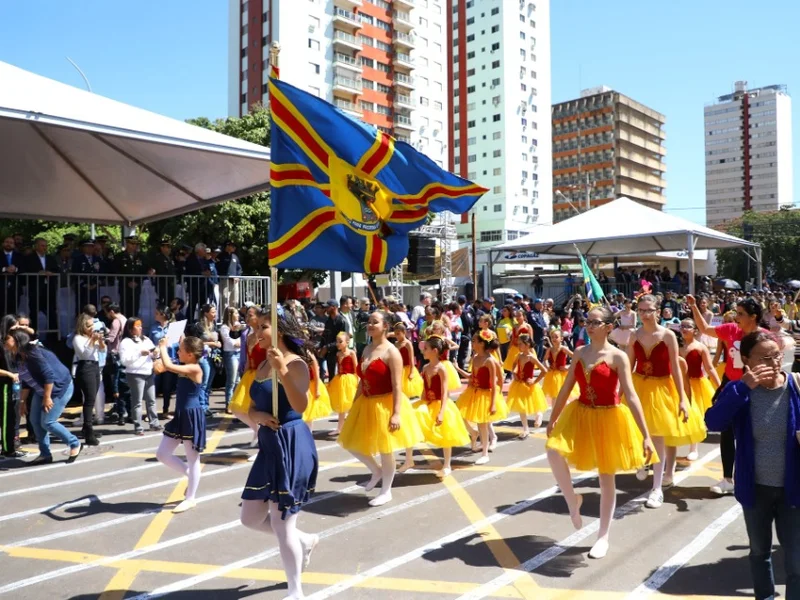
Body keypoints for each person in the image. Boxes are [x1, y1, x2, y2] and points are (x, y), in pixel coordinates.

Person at [546, 305, 656, 560]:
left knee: (606, 478)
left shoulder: (618, 357)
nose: (590, 325)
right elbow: (566, 388)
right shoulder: (579, 352)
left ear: (608, 327)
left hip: (609, 416)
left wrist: (646, 435)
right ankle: (573, 500)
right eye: (588, 321)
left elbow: (631, 395)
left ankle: (603, 536)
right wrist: (553, 418)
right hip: (581, 412)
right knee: (553, 452)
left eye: (595, 322)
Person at [705, 331, 800, 600]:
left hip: (793, 489)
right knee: (760, 552)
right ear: (746, 359)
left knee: (796, 560)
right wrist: (743, 387)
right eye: (765, 358)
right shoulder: (738, 390)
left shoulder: (796, 386)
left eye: (777, 356)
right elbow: (713, 423)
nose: (773, 363)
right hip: (755, 489)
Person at [240, 308, 320, 600]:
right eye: (257, 326)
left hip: (291, 443)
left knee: (281, 521)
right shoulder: (261, 366)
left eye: (264, 326)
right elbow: (250, 408)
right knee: (249, 518)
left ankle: (295, 591)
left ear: (280, 330)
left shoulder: (296, 363)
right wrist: (259, 416)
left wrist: (283, 371)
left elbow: (300, 405)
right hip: (269, 447)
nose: (257, 331)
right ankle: (305, 541)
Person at [338, 310, 423, 507]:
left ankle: (386, 490)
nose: (369, 325)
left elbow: (397, 386)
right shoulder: (366, 349)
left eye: (374, 322)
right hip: (366, 402)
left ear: (385, 326)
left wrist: (396, 413)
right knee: (350, 442)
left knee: (386, 450)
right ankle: (376, 471)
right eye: (369, 322)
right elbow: (362, 381)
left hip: (385, 403)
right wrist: (354, 404)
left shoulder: (391, 352)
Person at [629, 295, 706, 509]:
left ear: (658, 310)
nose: (645, 314)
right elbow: (628, 365)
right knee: (637, 430)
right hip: (639, 387)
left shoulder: (668, 335)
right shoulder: (634, 335)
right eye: (641, 310)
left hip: (662, 388)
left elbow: (676, 369)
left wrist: (682, 398)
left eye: (649, 310)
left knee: (658, 436)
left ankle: (656, 489)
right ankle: (643, 461)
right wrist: (620, 390)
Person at [688, 293, 765, 496]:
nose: (736, 317)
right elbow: (705, 329)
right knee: (727, 432)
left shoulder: (763, 337)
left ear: (753, 316)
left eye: (740, 314)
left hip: (755, 389)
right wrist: (694, 306)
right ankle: (727, 479)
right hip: (731, 386)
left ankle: (754, 478)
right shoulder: (731, 329)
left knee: (751, 434)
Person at [4, 329, 82, 464]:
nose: (4, 342)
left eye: (8, 339)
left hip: (58, 388)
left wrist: (47, 398)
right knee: (34, 421)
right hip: (42, 389)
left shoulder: (34, 353)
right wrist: (22, 402)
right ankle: (45, 454)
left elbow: (49, 376)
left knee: (48, 422)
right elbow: (26, 382)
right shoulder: (17, 357)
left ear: (17, 341)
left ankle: (74, 443)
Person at [156, 335, 206, 514]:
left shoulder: (194, 368)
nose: (177, 352)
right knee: (162, 454)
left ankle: (190, 498)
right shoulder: (187, 365)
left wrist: (162, 347)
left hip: (192, 416)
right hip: (180, 415)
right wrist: (181, 339)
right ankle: (189, 474)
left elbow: (169, 366)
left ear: (191, 355)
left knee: (193, 459)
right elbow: (169, 364)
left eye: (181, 350)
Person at [413, 336, 470, 476]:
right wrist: (422, 400)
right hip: (428, 403)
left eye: (425, 349)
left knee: (446, 434)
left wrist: (442, 412)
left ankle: (447, 464)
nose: (423, 351)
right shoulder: (426, 367)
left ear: (435, 351)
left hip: (440, 403)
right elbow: (424, 389)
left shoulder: (442, 369)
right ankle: (409, 459)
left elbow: (445, 392)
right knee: (413, 418)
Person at [458, 329, 508, 464]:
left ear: (481, 343)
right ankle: (475, 434)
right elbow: (472, 377)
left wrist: (492, 403)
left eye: (474, 341)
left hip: (485, 395)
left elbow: (493, 383)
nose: (472, 344)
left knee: (482, 424)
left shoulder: (489, 361)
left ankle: (485, 453)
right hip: (474, 392)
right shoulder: (475, 358)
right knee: (461, 414)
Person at [680, 318, 722, 461]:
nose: (684, 329)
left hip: (697, 385)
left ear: (695, 330)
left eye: (688, 326)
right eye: (682, 326)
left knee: (696, 416)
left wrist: (720, 387)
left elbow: (710, 368)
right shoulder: (676, 346)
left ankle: (694, 448)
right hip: (678, 384)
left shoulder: (700, 347)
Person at [228, 306, 263, 447]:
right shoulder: (248, 336)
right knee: (238, 409)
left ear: (258, 317)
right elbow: (248, 358)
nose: (247, 318)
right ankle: (257, 430)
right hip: (250, 374)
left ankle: (261, 436)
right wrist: (244, 375)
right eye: (246, 315)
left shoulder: (266, 334)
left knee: (261, 408)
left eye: (251, 315)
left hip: (263, 374)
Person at [119, 317, 160, 436]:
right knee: (137, 401)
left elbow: (153, 353)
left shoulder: (146, 339)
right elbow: (124, 360)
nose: (140, 327)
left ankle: (154, 423)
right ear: (131, 329)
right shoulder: (126, 342)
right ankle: (138, 426)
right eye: (137, 326)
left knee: (151, 400)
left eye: (141, 325)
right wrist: (139, 353)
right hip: (135, 373)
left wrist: (155, 353)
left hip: (148, 371)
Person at [72, 313, 105, 446]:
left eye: (93, 325)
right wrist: (92, 340)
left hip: (95, 366)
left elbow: (102, 351)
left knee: (93, 396)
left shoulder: (90, 336)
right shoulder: (77, 338)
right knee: (89, 400)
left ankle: (86, 428)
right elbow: (84, 354)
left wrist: (101, 341)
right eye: (89, 326)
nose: (92, 328)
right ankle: (89, 431)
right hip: (85, 367)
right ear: (82, 326)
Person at [506, 334, 548, 435]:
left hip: (529, 385)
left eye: (520, 344)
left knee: (534, 403)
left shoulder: (532, 357)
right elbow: (514, 364)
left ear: (527, 344)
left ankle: (539, 414)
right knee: (521, 406)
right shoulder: (519, 356)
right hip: (519, 384)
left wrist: (535, 381)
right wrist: (514, 373)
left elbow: (544, 370)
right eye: (518, 344)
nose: (518, 346)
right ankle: (525, 428)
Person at [326, 332, 358, 436]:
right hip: (340, 380)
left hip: (350, 380)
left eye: (340, 341)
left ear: (347, 342)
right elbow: (338, 367)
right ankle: (339, 428)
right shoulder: (338, 354)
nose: (338, 344)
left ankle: (353, 427)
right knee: (341, 405)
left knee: (350, 405)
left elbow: (356, 367)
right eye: (337, 342)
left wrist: (357, 380)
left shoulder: (351, 353)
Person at [150, 306, 179, 418]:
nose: (155, 315)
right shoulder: (154, 327)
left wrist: (170, 344)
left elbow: (178, 343)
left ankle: (165, 410)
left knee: (167, 388)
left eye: (157, 313)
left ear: (163, 315)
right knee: (153, 387)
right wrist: (155, 348)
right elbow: (149, 342)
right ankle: (151, 413)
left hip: (170, 360)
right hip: (157, 360)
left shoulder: (173, 327)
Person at [541, 329, 577, 404]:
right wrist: (547, 365)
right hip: (552, 376)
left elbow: (576, 358)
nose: (554, 339)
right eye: (552, 337)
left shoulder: (563, 348)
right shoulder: (549, 349)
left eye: (556, 337)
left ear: (561, 338)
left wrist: (568, 368)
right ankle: (555, 414)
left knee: (563, 397)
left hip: (562, 376)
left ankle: (566, 412)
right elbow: (545, 359)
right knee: (554, 397)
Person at [220, 306, 243, 413]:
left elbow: (244, 339)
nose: (238, 315)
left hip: (239, 353)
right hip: (230, 354)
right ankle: (228, 404)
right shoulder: (225, 328)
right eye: (235, 313)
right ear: (230, 315)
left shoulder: (239, 326)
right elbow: (232, 343)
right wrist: (239, 343)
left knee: (238, 380)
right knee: (232, 380)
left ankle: (235, 403)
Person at [394, 323, 423, 399]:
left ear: (404, 332)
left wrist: (412, 372)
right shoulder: (396, 344)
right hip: (398, 368)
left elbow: (411, 358)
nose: (397, 336)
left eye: (398, 334)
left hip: (407, 368)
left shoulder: (408, 343)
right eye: (395, 334)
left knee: (406, 389)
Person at [303, 353, 331, 425]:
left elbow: (316, 375)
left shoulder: (311, 358)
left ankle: (309, 432)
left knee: (309, 411)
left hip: (311, 386)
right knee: (305, 412)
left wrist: (317, 390)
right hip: (303, 384)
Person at [217, 240, 242, 311]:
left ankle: (233, 318)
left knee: (234, 301)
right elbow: (219, 268)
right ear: (227, 246)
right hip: (225, 281)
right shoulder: (220, 256)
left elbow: (239, 268)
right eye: (232, 246)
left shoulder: (235, 257)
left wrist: (237, 276)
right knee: (225, 300)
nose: (234, 248)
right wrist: (228, 276)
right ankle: (224, 319)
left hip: (235, 282)